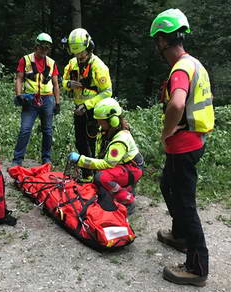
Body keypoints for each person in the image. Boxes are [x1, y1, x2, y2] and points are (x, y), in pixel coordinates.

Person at [150, 8, 215, 286]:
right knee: (167, 186)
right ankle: (179, 235)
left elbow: (177, 104)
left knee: (185, 204)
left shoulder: (180, 69)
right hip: (192, 142)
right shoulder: (194, 63)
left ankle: (197, 268)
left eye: (157, 40)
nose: (157, 45)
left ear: (164, 41)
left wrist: (166, 133)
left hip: (183, 146)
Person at [67, 98, 144, 215]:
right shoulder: (105, 130)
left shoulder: (120, 140)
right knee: (99, 179)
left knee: (102, 178)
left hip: (132, 168)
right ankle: (125, 189)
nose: (98, 123)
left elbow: (107, 163)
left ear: (112, 121)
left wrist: (80, 160)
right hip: (123, 165)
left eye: (100, 121)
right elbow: (100, 155)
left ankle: (128, 200)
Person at [62, 28, 112, 182]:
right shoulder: (72, 64)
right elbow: (63, 82)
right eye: (76, 53)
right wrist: (69, 83)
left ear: (89, 48)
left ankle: (96, 176)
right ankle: (87, 174)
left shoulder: (99, 66)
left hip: (93, 112)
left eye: (81, 53)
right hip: (78, 110)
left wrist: (87, 105)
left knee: (92, 143)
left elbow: (107, 91)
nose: (79, 56)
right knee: (80, 142)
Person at [11, 33, 60, 167]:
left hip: (48, 99)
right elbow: (19, 78)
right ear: (36, 46)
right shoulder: (25, 60)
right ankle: (17, 160)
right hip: (30, 99)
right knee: (25, 129)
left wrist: (57, 102)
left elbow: (56, 84)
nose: (44, 50)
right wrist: (19, 95)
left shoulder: (51, 63)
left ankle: (46, 159)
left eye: (47, 48)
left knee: (48, 130)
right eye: (42, 47)